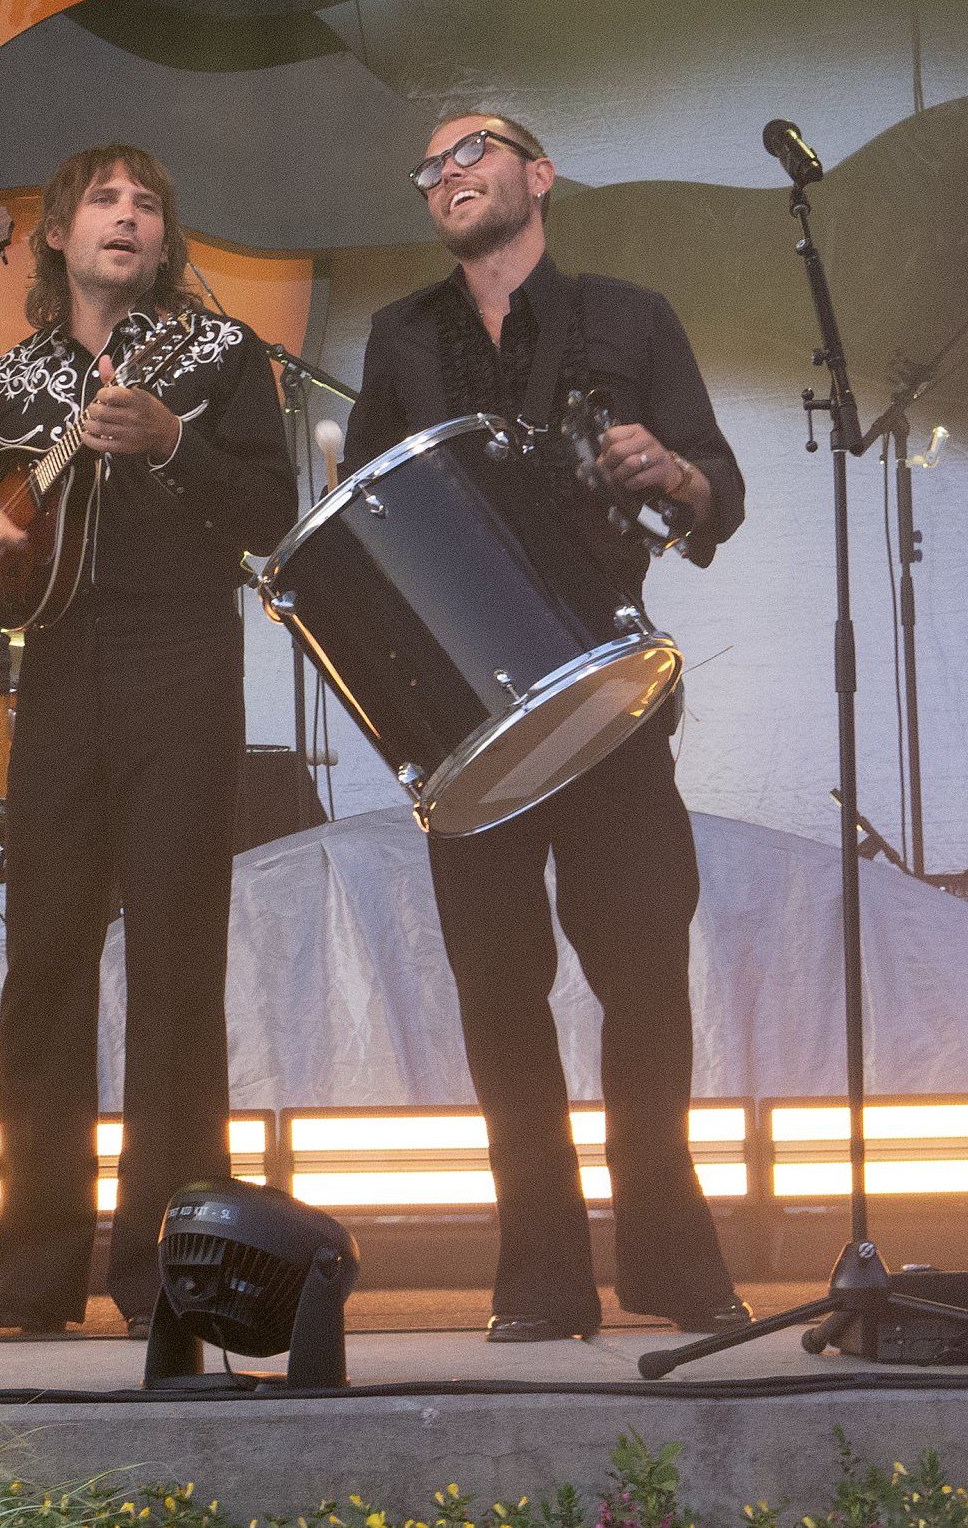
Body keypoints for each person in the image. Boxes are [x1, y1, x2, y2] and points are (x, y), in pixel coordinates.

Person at [344, 112, 750, 1343]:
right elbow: (361, 520)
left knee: (643, 978)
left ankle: (673, 1265)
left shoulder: (631, 316)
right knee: (497, 992)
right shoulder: (399, 336)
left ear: (537, 174)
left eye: (473, 151)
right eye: (430, 166)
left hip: (610, 692)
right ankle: (539, 1277)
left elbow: (716, 485)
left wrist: (671, 474)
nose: (449, 173)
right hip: (469, 724)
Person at [0, 144, 294, 1352]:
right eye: (103, 200)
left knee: (180, 973)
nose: (127, 216)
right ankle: (30, 1272)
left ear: (165, 239)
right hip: (59, 674)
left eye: (148, 203)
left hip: (183, 662)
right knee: (44, 970)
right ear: (58, 235)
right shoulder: (6, 381)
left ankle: (173, 1275)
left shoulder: (220, 359)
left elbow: (274, 513)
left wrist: (176, 440)